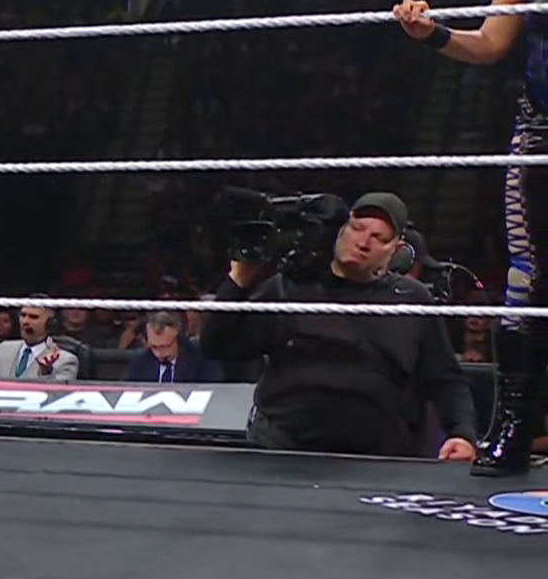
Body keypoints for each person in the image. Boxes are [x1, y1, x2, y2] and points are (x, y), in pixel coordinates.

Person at [394, 0, 548, 473]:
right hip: (540, 134)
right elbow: (489, 43)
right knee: (527, 279)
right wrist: (431, 33)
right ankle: (515, 430)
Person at [198, 192, 478, 460]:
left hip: (376, 457)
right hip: (283, 450)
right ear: (341, 231)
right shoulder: (291, 287)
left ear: (396, 251)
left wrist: (462, 434)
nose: (363, 242)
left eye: (378, 237)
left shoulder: (411, 299)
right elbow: (217, 345)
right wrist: (237, 282)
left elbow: (445, 378)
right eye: (357, 228)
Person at [121, 311, 224, 384]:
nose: (159, 354)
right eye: (154, 347)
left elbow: (216, 391)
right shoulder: (141, 361)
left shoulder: (200, 357)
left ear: (178, 338)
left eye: (165, 346)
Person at [0, 302, 81, 381]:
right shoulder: (2, 349)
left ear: (50, 323)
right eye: (23, 315)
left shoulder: (66, 361)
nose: (25, 321)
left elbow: (58, 394)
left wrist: (46, 373)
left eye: (33, 317)